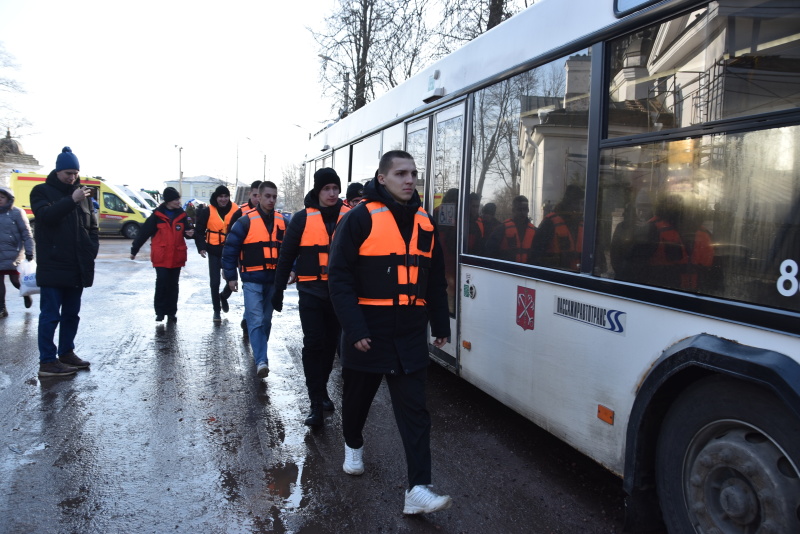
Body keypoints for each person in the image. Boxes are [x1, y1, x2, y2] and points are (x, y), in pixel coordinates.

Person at [328, 150, 453, 515]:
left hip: (410, 334)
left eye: (413, 173)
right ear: (382, 178)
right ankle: (353, 443)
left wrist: (441, 323)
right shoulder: (359, 219)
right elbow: (339, 278)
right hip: (368, 332)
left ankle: (417, 488)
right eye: (401, 173)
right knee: (356, 403)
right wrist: (354, 328)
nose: (410, 179)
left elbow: (433, 281)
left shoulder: (426, 223)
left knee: (416, 413)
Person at [271, 168, 349, 426]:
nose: (332, 193)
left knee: (329, 348)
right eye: (327, 189)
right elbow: (286, 256)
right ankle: (315, 403)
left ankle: (322, 388)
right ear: (318, 191)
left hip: (339, 295)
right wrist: (278, 289)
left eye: (335, 188)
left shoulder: (351, 217)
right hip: (311, 292)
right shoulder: (302, 219)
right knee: (314, 344)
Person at [30, 147, 98, 376]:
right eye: (68, 172)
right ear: (58, 171)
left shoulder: (84, 196)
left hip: (77, 265)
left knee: (72, 314)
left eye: (76, 173)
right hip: (53, 264)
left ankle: (66, 352)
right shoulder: (41, 191)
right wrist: (71, 200)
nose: (72, 177)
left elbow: (92, 228)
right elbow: (46, 217)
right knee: (50, 315)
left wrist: (91, 250)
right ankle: (47, 362)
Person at [222, 181, 285, 378]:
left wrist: (292, 269)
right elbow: (230, 249)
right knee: (256, 319)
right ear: (258, 195)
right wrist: (231, 277)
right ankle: (261, 361)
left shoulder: (282, 221)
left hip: (273, 280)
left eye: (274, 197)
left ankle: (259, 353)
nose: (271, 200)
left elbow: (291, 249)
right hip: (252, 280)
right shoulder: (245, 221)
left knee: (266, 320)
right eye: (267, 196)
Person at [130, 187, 195, 322]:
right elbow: (144, 233)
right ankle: (160, 312)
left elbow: (188, 232)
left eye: (178, 199)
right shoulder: (156, 216)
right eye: (176, 199)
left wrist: (190, 234)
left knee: (173, 285)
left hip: (177, 256)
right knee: (162, 283)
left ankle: (171, 312)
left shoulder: (182, 215)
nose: (179, 202)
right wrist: (134, 249)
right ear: (169, 201)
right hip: (161, 256)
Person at [194, 185, 238, 322]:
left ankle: (223, 296)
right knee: (214, 282)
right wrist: (201, 247)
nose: (223, 199)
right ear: (216, 197)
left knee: (231, 280)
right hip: (213, 250)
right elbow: (199, 230)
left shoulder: (237, 210)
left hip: (231, 251)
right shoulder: (207, 211)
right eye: (221, 197)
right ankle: (216, 311)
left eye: (226, 196)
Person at [229, 180, 262, 335]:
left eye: (259, 195)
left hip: (266, 264)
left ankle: (247, 318)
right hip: (245, 262)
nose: (257, 198)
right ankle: (247, 319)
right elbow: (231, 240)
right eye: (255, 195)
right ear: (250, 195)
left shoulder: (273, 215)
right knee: (250, 292)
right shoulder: (240, 213)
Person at [530, 184, 584, 270]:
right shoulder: (550, 222)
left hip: (579, 278)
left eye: (581, 204)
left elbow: (598, 256)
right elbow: (536, 256)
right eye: (576, 203)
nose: (579, 208)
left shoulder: (584, 225)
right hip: (556, 277)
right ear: (567, 203)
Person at [0, 187, 35, 317]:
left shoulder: (17, 213)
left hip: (13, 253)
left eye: (2, 197)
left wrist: (29, 251)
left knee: (15, 281)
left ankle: (25, 293)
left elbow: (26, 234)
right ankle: (2, 308)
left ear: (9, 199)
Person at [484, 195, 536, 263]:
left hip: (526, 272)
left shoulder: (535, 231)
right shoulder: (501, 229)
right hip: (507, 270)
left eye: (525, 209)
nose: (522, 212)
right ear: (513, 210)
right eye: (519, 209)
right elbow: (489, 253)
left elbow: (537, 256)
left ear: (528, 210)